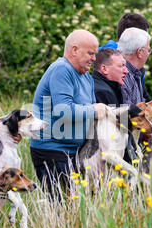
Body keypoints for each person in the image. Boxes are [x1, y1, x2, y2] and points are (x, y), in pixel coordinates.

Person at [30, 29, 107, 201]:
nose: (94, 58)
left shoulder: (85, 76)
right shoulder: (61, 70)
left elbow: (89, 109)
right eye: (90, 53)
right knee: (64, 206)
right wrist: (94, 111)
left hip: (75, 152)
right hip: (52, 150)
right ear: (74, 50)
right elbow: (63, 111)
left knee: (78, 206)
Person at [117, 27, 152, 104]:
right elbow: (125, 114)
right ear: (139, 52)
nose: (148, 54)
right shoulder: (122, 75)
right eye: (148, 50)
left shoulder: (136, 72)